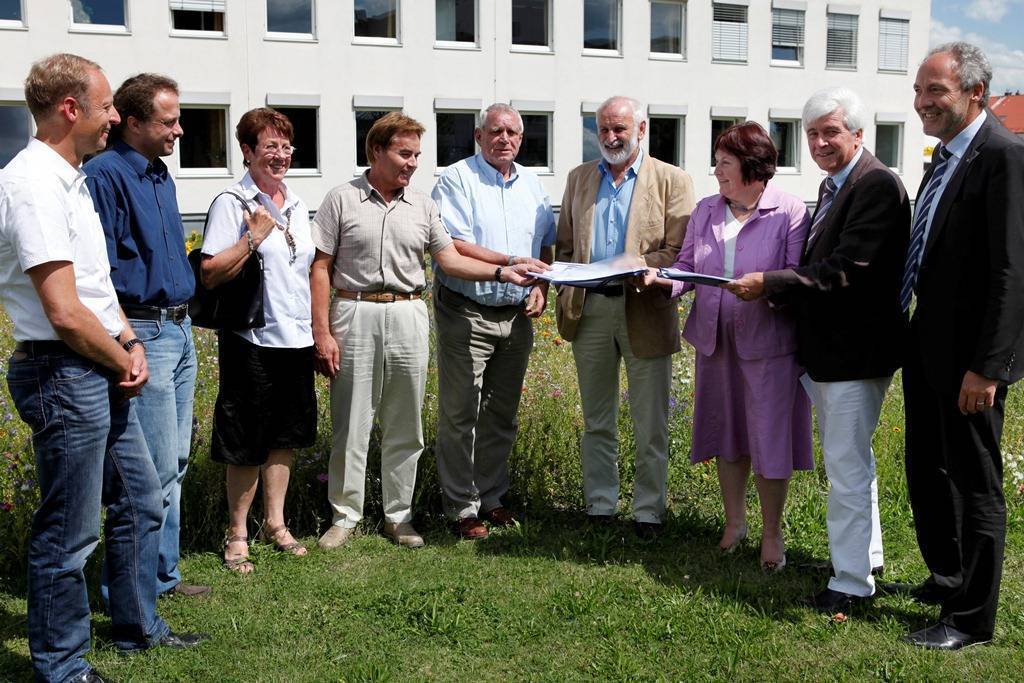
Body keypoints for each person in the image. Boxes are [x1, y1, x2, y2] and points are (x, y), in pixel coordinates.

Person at [0, 53, 204, 683]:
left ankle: (137, 628)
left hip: (95, 361)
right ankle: (61, 667)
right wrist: (123, 354)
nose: (116, 115)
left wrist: (126, 338)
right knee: (68, 531)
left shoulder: (72, 177)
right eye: (108, 105)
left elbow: (93, 286)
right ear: (70, 108)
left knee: (142, 498)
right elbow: (61, 309)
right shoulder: (32, 183)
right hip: (63, 372)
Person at [311, 112, 539, 550]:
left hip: (408, 313)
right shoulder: (341, 199)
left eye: (417, 154)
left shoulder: (423, 205)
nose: (412, 163)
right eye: (404, 153)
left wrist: (502, 271)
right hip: (354, 313)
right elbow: (319, 267)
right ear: (375, 151)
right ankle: (345, 516)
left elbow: (450, 260)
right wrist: (322, 332)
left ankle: (399, 516)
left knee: (405, 423)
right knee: (352, 421)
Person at [728, 89, 910, 608]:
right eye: (812, 134)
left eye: (831, 131)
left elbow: (847, 272)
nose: (821, 142)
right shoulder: (837, 185)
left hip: (855, 352)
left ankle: (849, 585)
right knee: (854, 464)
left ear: (857, 133)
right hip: (832, 354)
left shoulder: (875, 184)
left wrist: (772, 284)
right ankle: (865, 559)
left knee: (847, 469)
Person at [895, 42, 1024, 649]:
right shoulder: (945, 156)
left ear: (975, 91)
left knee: (976, 483)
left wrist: (988, 368)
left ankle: (972, 618)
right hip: (929, 346)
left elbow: (1011, 273)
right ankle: (948, 578)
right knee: (927, 467)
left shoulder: (1004, 155)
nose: (922, 102)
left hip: (972, 361)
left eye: (936, 91)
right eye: (920, 90)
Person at [641, 122, 812, 568]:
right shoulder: (706, 210)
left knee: (770, 439)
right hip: (714, 341)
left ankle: (772, 533)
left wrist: (764, 288)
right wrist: (665, 282)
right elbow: (686, 265)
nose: (716, 171)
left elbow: (797, 277)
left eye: (724, 163)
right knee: (728, 431)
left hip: (769, 344)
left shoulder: (789, 211)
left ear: (753, 168)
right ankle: (734, 522)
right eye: (717, 162)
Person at [84, 73, 208, 598]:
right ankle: (131, 590)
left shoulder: (159, 174)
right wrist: (127, 340)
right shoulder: (105, 175)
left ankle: (162, 575)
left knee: (174, 462)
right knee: (149, 471)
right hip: (144, 331)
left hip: (179, 329)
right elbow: (100, 272)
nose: (179, 130)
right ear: (132, 122)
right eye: (169, 120)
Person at [555, 95, 694, 538]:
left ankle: (649, 510)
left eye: (620, 129)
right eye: (604, 130)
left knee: (650, 421)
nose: (612, 138)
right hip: (590, 308)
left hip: (645, 308)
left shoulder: (673, 180)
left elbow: (678, 250)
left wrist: (635, 265)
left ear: (642, 129)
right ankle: (600, 503)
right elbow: (564, 247)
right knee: (597, 417)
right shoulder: (579, 179)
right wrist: (564, 275)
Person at [430, 103, 555, 540]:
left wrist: (541, 286)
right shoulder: (456, 179)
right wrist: (508, 262)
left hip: (516, 316)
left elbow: (545, 245)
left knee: (502, 413)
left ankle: (493, 497)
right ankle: (461, 507)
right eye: (495, 131)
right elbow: (455, 244)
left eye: (513, 132)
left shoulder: (533, 184)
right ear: (479, 136)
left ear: (521, 139)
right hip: (467, 311)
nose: (505, 139)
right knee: (461, 412)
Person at [200, 108, 316, 572]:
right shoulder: (232, 202)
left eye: (286, 146)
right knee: (245, 438)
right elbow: (209, 273)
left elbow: (306, 268)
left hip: (296, 337)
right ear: (246, 151)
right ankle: (237, 533)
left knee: (284, 436)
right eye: (269, 146)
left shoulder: (297, 202)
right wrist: (252, 240)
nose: (280, 155)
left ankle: (276, 523)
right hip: (251, 337)